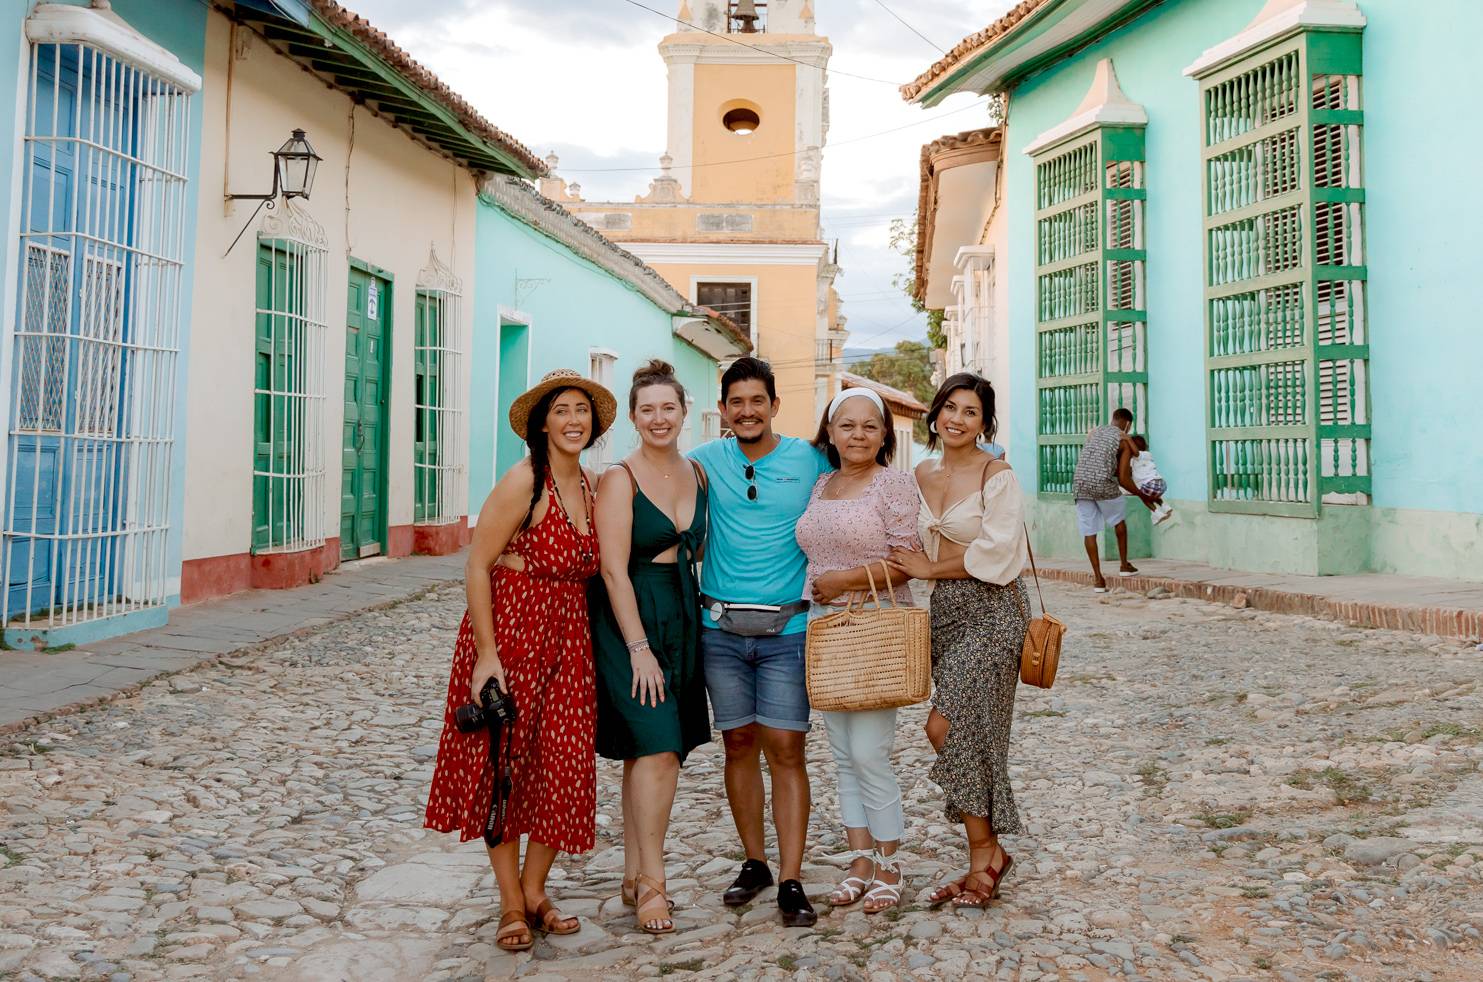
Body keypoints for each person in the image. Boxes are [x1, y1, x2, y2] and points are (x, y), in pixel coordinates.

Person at [424, 368, 614, 953]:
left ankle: (536, 890)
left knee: (562, 763)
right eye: (561, 410)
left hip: (568, 644)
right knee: (503, 766)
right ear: (541, 423)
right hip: (511, 639)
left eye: (582, 409)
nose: (573, 420)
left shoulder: (589, 486)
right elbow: (478, 563)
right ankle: (510, 901)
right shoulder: (523, 481)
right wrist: (487, 656)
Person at [689, 356, 830, 928]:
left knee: (787, 749)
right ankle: (755, 862)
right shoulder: (702, 461)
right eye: (736, 402)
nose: (747, 411)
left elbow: (855, 489)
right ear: (722, 410)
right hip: (719, 630)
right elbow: (648, 482)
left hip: (789, 631)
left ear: (774, 405)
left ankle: (792, 878)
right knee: (739, 745)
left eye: (757, 401)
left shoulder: (810, 459)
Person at [886, 372, 1029, 910]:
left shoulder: (998, 477)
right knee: (975, 732)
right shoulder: (919, 473)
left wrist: (929, 567)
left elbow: (997, 554)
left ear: (984, 422)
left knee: (943, 724)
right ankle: (988, 854)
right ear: (935, 413)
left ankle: (983, 853)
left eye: (971, 412)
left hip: (995, 609)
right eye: (950, 407)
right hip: (945, 612)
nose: (957, 419)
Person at [590, 360, 711, 935]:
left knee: (653, 751)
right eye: (647, 410)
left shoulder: (698, 474)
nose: (658, 418)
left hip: (683, 614)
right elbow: (612, 570)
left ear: (684, 412)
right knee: (658, 746)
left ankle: (634, 871)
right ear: (633, 418)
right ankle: (655, 888)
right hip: (630, 617)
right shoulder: (620, 478)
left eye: (668, 408)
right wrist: (638, 647)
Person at [794, 388, 921, 915]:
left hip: (874, 625)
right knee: (844, 754)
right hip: (826, 627)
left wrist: (845, 579)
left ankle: (891, 864)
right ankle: (859, 859)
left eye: (870, 426)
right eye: (846, 425)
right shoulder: (823, 484)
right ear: (830, 432)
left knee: (870, 752)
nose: (858, 435)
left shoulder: (893, 484)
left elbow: (908, 560)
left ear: (885, 434)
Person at [1072, 408, 1140, 591]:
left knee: (1089, 530)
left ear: (1113, 419)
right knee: (1118, 520)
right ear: (1127, 424)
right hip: (1102, 483)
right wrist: (1143, 494)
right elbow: (1130, 466)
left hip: (1079, 483)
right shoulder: (1122, 438)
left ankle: (1098, 580)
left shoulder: (1095, 432)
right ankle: (1124, 565)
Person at [1129, 434, 1172, 525]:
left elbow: (1136, 453)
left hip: (1151, 484)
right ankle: (1164, 506)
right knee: (1152, 495)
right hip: (1160, 484)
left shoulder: (1144, 455)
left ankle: (1156, 512)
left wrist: (1127, 439)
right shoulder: (1145, 456)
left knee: (1142, 495)